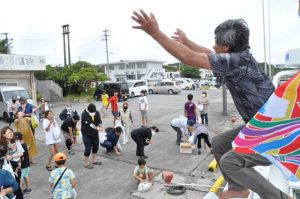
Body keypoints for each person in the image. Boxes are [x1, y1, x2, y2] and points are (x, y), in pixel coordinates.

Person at [131, 10, 291, 199]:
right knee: (219, 142)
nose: (213, 46)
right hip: (259, 126)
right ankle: (239, 188)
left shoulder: (235, 62)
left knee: (231, 161)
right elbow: (207, 53)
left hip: (277, 133)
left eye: (216, 42)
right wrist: (187, 41)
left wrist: (155, 32)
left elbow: (187, 57)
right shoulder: (238, 56)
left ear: (226, 46)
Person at [0, 126, 24, 199]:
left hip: (16, 165)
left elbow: (21, 152)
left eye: (11, 132)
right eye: (9, 132)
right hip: (6, 166)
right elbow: (3, 156)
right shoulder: (2, 145)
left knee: (16, 183)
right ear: (3, 135)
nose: (11, 134)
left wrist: (12, 156)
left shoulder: (16, 142)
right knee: (9, 185)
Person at [81, 103, 102, 169]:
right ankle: (86, 163)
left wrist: (100, 125)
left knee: (96, 146)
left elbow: (99, 121)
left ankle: (94, 160)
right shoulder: (84, 114)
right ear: (88, 110)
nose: (94, 113)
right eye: (92, 112)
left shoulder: (97, 112)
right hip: (86, 133)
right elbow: (90, 124)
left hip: (94, 133)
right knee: (88, 147)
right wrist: (97, 128)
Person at [14, 132, 32, 197]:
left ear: (17, 139)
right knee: (26, 176)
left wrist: (19, 165)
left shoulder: (20, 146)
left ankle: (21, 193)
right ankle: (28, 189)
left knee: (20, 180)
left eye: (14, 138)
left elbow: (22, 157)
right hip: (27, 164)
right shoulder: (24, 143)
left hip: (23, 165)